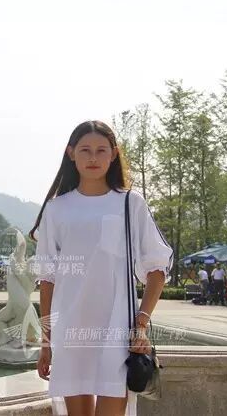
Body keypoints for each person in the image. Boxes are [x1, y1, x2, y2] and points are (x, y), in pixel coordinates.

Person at [31, 120, 174, 416]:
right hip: (71, 331)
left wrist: (141, 324)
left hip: (117, 331)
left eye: (101, 150)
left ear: (114, 154)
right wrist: (46, 342)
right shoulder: (57, 210)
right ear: (71, 153)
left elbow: (157, 269)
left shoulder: (130, 204)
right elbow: (47, 279)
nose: (93, 158)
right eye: (85, 150)